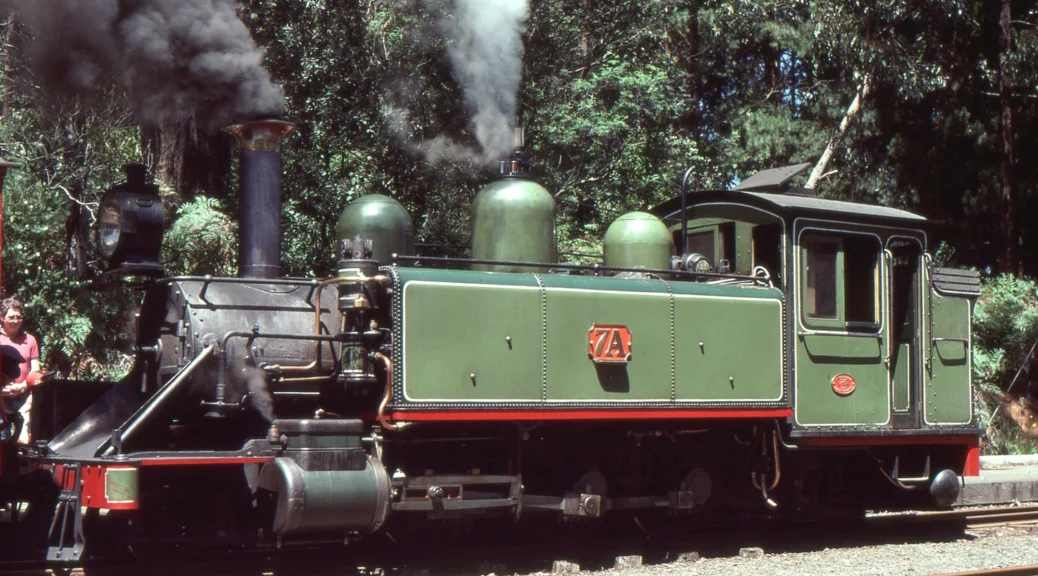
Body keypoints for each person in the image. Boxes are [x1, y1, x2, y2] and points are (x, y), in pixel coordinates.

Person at [1, 298, 42, 443]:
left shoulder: (29, 340)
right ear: (1, 316)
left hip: (23, 400)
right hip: (1, 401)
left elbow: (36, 370)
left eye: (19, 317)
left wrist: (24, 386)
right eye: (11, 317)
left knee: (23, 443)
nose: (16, 320)